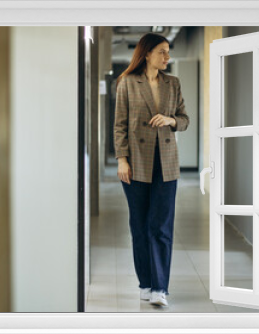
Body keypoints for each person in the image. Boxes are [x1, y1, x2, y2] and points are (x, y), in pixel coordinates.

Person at [114, 32, 189, 307]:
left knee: (161, 227)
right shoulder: (127, 83)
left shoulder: (174, 83)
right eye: (162, 51)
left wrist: (171, 119)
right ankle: (145, 282)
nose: (167, 56)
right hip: (136, 163)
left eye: (168, 51)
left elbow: (184, 119)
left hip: (166, 163)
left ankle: (160, 288)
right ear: (146, 54)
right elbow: (120, 124)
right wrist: (122, 159)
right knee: (139, 226)